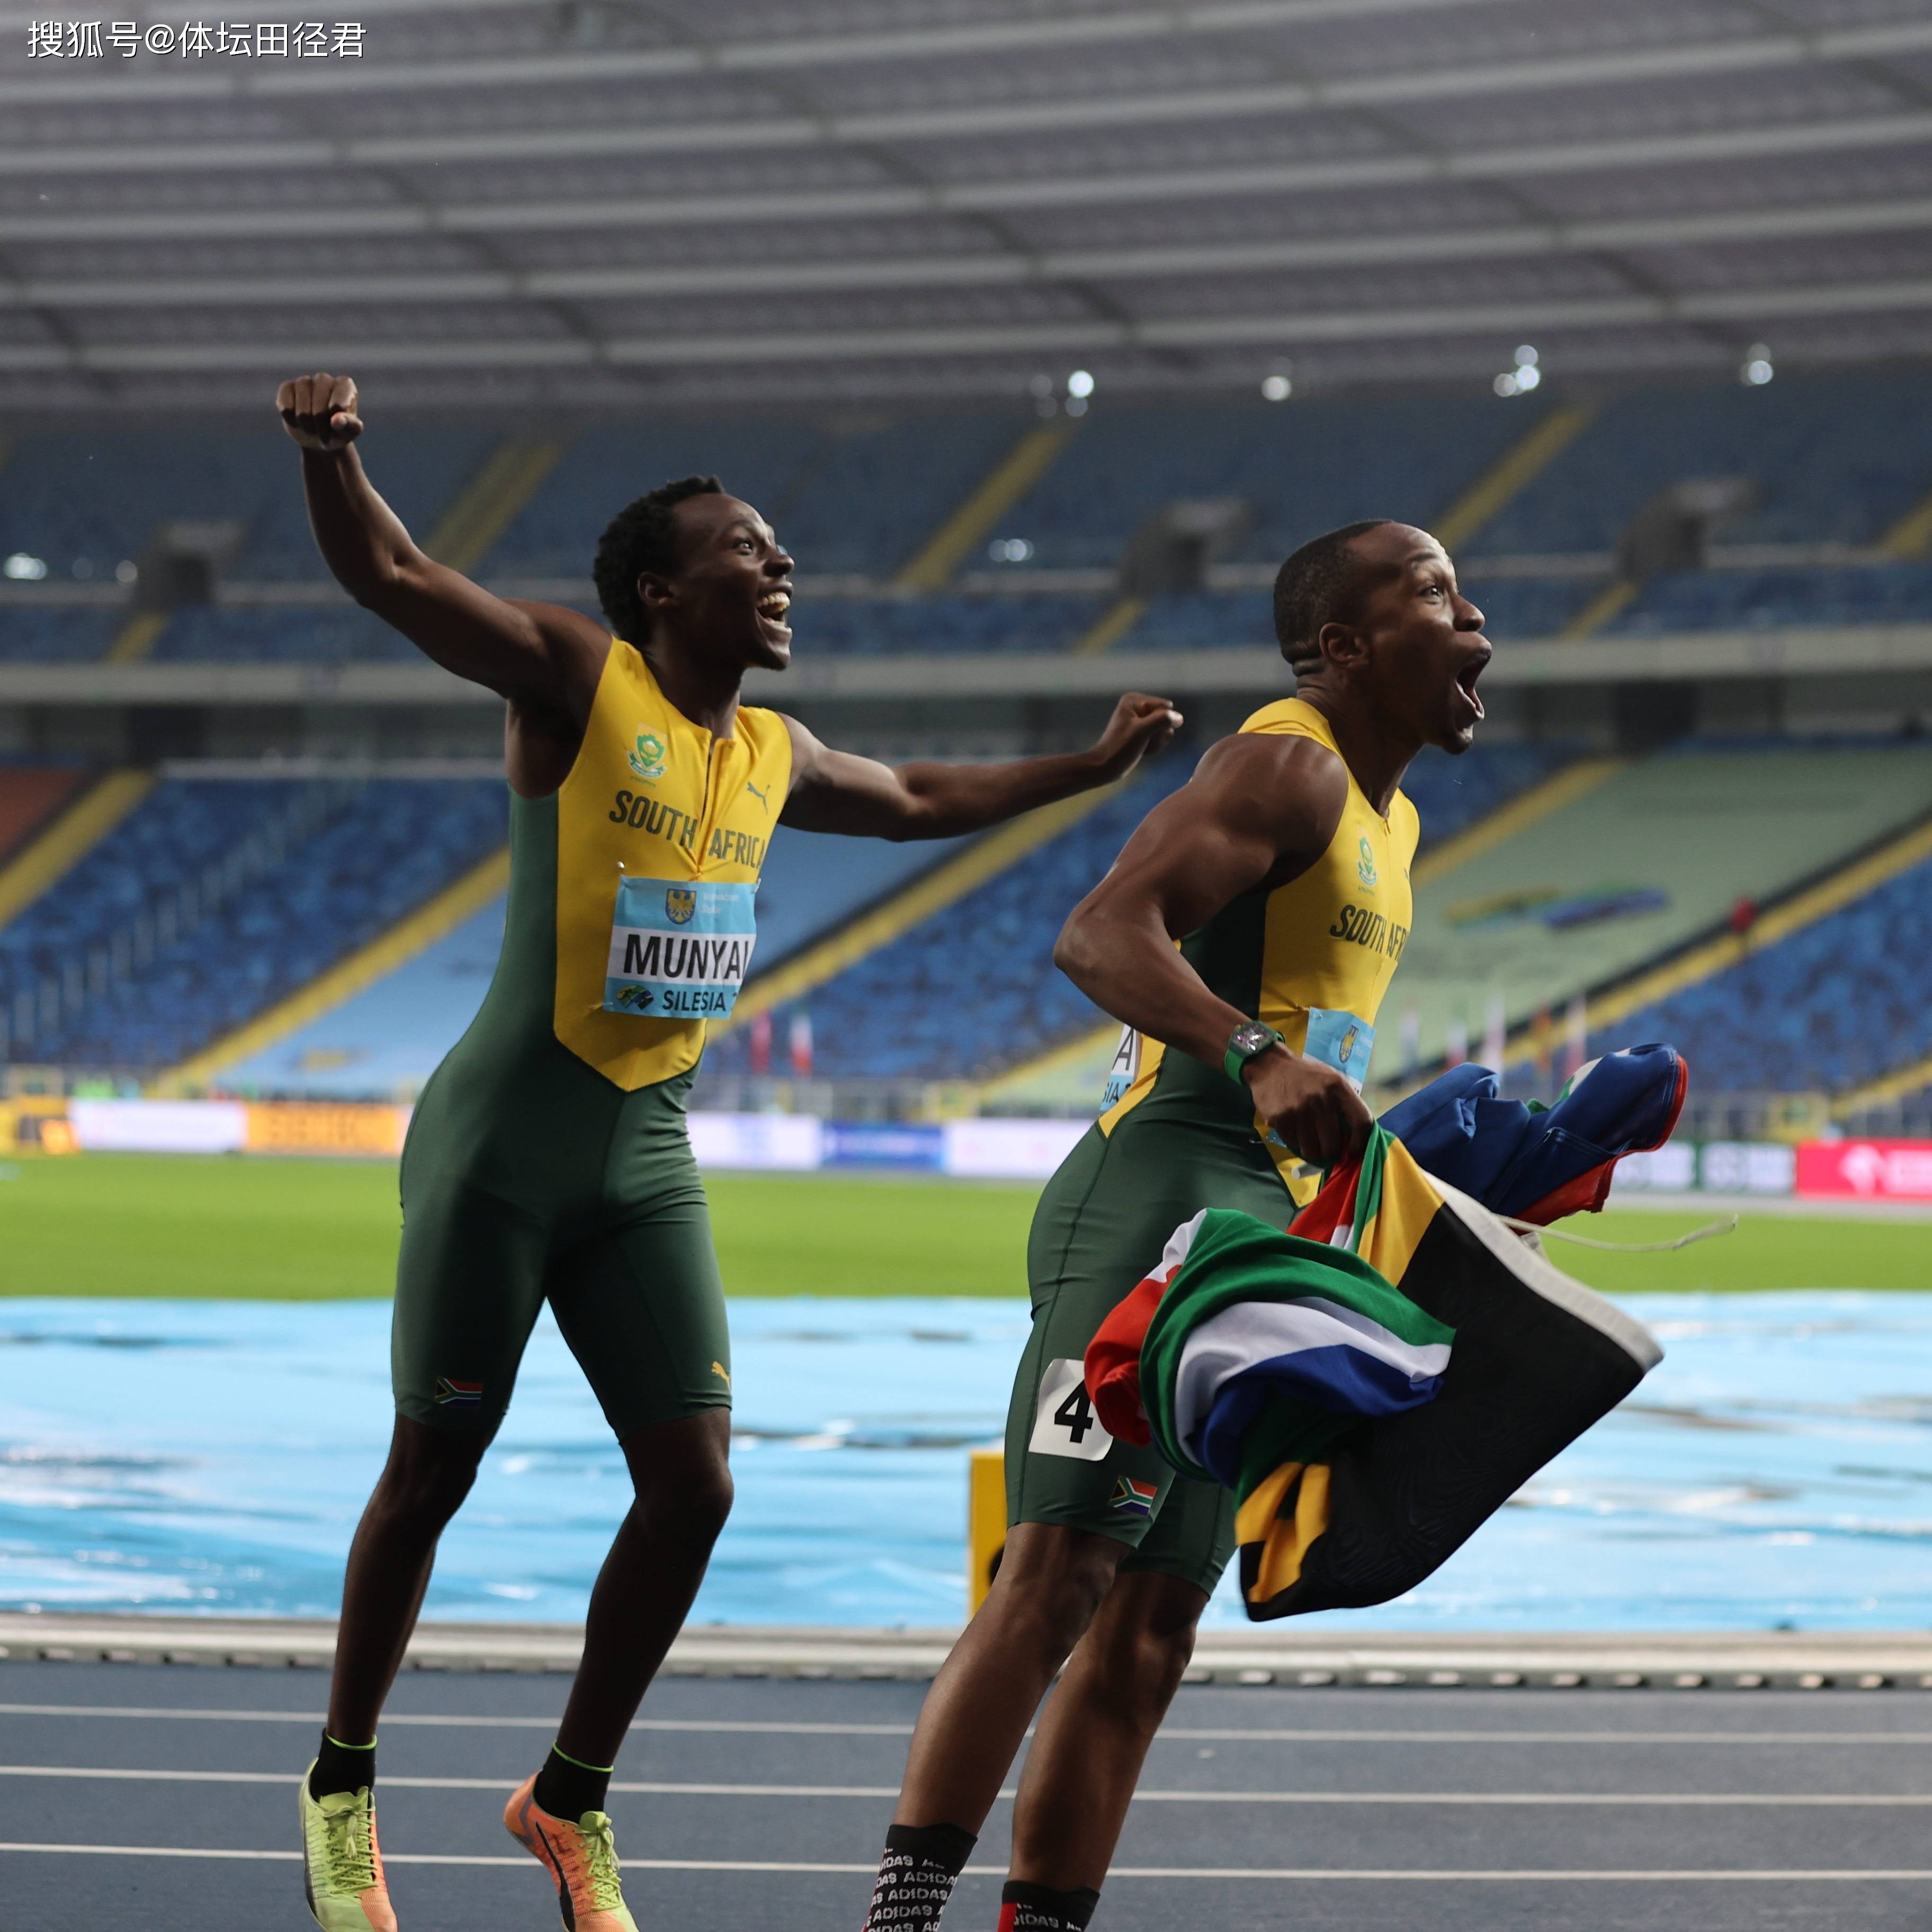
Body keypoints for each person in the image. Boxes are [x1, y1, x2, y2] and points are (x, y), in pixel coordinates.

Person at [273, 371, 1182, 1932]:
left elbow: (912, 797)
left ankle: (566, 1802)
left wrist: (1086, 774)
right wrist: (330, 455)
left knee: (694, 1490)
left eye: (778, 555)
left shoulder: (770, 749)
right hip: (505, 1136)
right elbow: (398, 579)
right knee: (433, 1471)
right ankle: (342, 1786)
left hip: (643, 1148)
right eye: (748, 555)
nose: (780, 575)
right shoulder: (576, 676)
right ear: (658, 590)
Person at [858, 518, 1491, 1932]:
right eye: (1437, 594)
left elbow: (1318, 1045)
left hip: (1258, 1244)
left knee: (1152, 1630)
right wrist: (1256, 1054)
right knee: (1059, 1577)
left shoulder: (1394, 825)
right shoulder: (1287, 764)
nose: (1479, 626)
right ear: (1345, 647)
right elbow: (1100, 931)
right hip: (1155, 1203)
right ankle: (898, 1920)